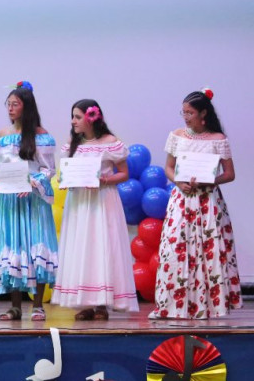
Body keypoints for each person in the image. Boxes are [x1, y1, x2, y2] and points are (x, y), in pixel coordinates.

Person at [149, 88, 240, 319]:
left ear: (203, 113)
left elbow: (229, 174)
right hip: (182, 200)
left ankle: (208, 306)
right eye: (183, 112)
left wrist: (209, 180)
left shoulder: (218, 139)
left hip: (207, 202)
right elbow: (169, 167)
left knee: (208, 252)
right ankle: (170, 306)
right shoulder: (177, 135)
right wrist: (178, 182)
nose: (185, 117)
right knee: (175, 250)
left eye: (190, 112)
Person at [51, 100, 137, 320]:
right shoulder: (73, 143)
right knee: (82, 248)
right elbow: (66, 171)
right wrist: (65, 179)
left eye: (78, 117)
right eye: (73, 116)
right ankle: (85, 303)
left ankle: (102, 304)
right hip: (79, 201)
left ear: (91, 118)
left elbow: (124, 174)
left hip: (101, 200)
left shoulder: (110, 142)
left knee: (101, 246)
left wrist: (104, 180)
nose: (73, 121)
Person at [0, 82, 58, 321]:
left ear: (27, 106)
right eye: (8, 104)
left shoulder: (41, 135)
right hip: (9, 201)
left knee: (35, 246)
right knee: (13, 248)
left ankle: (37, 305)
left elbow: (48, 169)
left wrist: (33, 183)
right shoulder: (3, 135)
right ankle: (15, 306)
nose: (10, 108)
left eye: (15, 104)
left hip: (32, 200)